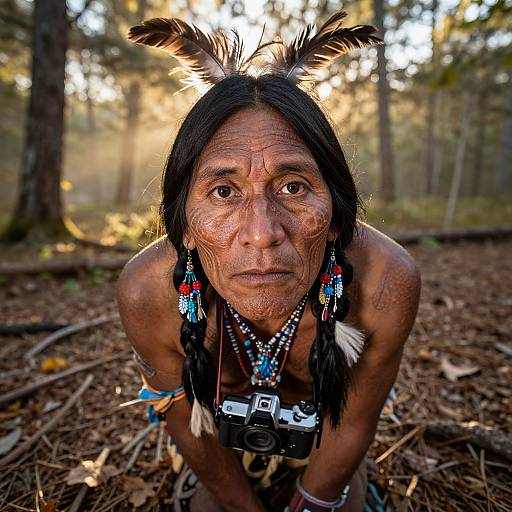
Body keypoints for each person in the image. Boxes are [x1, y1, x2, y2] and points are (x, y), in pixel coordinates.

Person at [116, 11, 421, 512]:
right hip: (219, 440)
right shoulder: (148, 293)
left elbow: (356, 419)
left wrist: (312, 501)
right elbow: (184, 422)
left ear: (339, 215)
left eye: (293, 187)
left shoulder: (386, 282)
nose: (262, 233)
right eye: (223, 191)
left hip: (328, 429)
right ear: (184, 223)